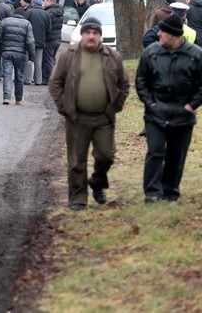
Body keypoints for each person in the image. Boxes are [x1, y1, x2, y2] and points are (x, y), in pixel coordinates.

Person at [48, 17, 129, 211]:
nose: (91, 36)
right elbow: (55, 82)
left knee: (106, 155)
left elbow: (124, 84)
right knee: (76, 161)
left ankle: (98, 182)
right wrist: (64, 106)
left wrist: (115, 106)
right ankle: (78, 198)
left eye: (95, 33)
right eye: (87, 32)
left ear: (100, 35)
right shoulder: (69, 55)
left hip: (104, 118)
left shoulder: (112, 56)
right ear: (82, 34)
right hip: (77, 118)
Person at [136, 13, 202, 203]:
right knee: (155, 152)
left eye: (162, 32)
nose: (158, 35)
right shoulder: (151, 53)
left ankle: (170, 193)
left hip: (183, 114)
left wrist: (192, 105)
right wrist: (149, 102)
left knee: (176, 155)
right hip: (156, 113)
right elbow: (141, 80)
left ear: (173, 34)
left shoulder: (195, 54)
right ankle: (152, 193)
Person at [0, 7, 35, 105]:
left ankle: (6, 97)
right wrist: (32, 57)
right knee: (19, 76)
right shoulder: (27, 24)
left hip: (7, 52)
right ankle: (19, 98)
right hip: (20, 54)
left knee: (7, 75)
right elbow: (30, 42)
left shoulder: (5, 21)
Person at [24, 0, 51, 85]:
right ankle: (38, 80)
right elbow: (49, 29)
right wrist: (44, 38)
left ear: (33, 3)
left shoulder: (29, 12)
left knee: (28, 59)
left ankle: (27, 79)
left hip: (29, 40)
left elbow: (24, 25)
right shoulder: (46, 14)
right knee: (38, 61)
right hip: (40, 41)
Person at [43, 0, 63, 82]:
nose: (43, 3)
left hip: (50, 39)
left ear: (49, 2)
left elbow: (47, 27)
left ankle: (51, 79)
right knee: (52, 59)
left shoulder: (49, 13)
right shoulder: (59, 11)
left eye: (45, 1)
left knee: (47, 60)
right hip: (57, 38)